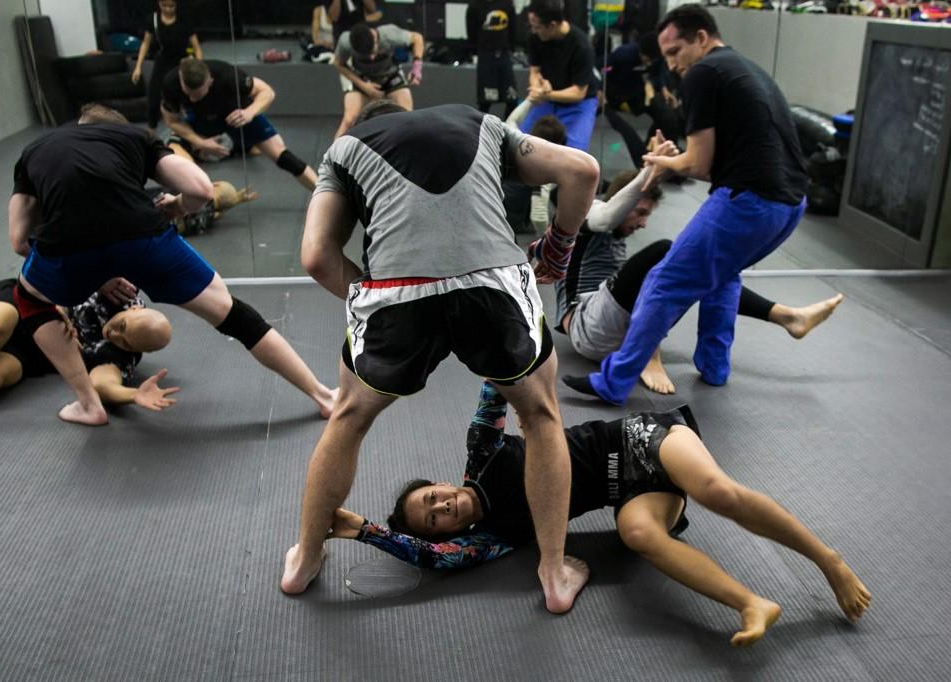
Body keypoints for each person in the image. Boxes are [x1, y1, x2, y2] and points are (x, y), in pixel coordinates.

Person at [280, 101, 601, 615]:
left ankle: (305, 559)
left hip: (396, 295)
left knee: (349, 417)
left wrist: (372, 293)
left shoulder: (343, 151)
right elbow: (582, 170)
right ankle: (554, 572)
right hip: (493, 284)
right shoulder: (480, 123)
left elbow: (317, 257)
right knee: (539, 417)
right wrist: (557, 250)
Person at [326, 382, 872, 647]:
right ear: (454, 531)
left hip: (638, 440)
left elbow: (499, 379)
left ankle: (829, 560)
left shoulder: (483, 452)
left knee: (717, 493)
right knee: (636, 533)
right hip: (628, 494)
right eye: (437, 519)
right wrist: (364, 531)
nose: (442, 508)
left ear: (441, 483)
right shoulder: (493, 535)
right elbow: (436, 561)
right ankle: (753, 603)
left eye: (432, 500)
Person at [9, 103, 336, 426]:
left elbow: (19, 240)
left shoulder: (36, 150)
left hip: (66, 243)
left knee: (31, 302)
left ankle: (88, 404)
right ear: (117, 127)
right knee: (231, 311)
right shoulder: (134, 137)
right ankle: (322, 395)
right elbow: (201, 190)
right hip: (141, 233)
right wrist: (176, 208)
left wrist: (90, 273)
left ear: (80, 125)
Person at [570, 4, 810, 405]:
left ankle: (613, 383)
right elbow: (719, 160)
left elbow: (696, 165)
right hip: (789, 206)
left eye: (675, 52)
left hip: (747, 202)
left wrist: (659, 162)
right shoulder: (746, 69)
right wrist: (675, 157)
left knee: (663, 282)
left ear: (701, 38)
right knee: (722, 274)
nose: (672, 65)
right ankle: (714, 366)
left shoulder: (703, 73)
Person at [557, 167, 843, 396]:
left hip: (612, 334)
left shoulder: (619, 241)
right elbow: (606, 218)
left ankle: (788, 317)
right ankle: (648, 356)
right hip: (587, 326)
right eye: (640, 212)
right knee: (665, 252)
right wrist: (649, 173)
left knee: (696, 268)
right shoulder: (591, 213)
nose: (643, 223)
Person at [0, 278, 176, 420]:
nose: (112, 334)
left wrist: (133, 396)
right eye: (121, 326)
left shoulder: (121, 355)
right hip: (21, 304)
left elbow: (103, 385)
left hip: (28, 351)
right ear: (133, 310)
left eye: (124, 341)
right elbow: (58, 263)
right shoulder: (118, 290)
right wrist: (56, 307)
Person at [160, 58, 318, 191]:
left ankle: (328, 198)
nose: (193, 99)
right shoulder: (170, 84)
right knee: (175, 160)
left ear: (210, 80)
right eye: (189, 95)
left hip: (238, 114)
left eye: (199, 94)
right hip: (200, 122)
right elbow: (173, 121)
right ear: (181, 80)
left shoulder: (228, 75)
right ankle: (191, 201)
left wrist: (250, 112)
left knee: (284, 158)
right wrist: (200, 142)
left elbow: (267, 92)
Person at [521, 0, 601, 151]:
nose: (533, 30)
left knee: (574, 153)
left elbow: (578, 93)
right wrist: (536, 87)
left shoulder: (581, 46)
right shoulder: (535, 37)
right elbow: (535, 70)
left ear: (552, 25)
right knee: (522, 143)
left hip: (579, 103)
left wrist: (546, 94)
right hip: (548, 98)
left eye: (537, 27)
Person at [601, 33, 683, 168]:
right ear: (640, 52)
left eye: (652, 60)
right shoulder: (623, 54)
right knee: (625, 128)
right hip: (615, 96)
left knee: (667, 115)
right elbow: (605, 70)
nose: (649, 63)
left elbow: (658, 72)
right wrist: (601, 90)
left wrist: (663, 89)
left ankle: (669, 154)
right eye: (646, 59)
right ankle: (643, 160)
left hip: (638, 93)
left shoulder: (656, 57)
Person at [331, 23, 425, 139]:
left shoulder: (389, 35)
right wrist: (364, 86)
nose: (371, 58)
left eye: (373, 52)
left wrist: (417, 67)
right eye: (367, 55)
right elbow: (338, 64)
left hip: (389, 74)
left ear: (375, 38)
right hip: (361, 77)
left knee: (406, 117)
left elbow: (417, 38)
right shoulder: (346, 41)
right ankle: (332, 155)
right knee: (350, 119)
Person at [131, 0, 201, 132]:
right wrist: (138, 67)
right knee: (153, 98)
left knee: (187, 98)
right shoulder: (153, 20)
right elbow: (145, 44)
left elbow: (197, 48)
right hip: (162, 60)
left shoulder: (184, 19)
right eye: (164, 6)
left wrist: (199, 65)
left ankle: (193, 130)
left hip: (182, 61)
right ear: (159, 4)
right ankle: (152, 133)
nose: (168, 9)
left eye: (171, 6)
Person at [467, 0, 519, 118]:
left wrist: (511, 48)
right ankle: (483, 130)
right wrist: (475, 52)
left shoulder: (507, 4)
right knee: (485, 101)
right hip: (485, 55)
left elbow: (513, 29)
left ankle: (507, 130)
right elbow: (471, 33)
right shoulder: (475, 6)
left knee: (512, 99)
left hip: (504, 54)